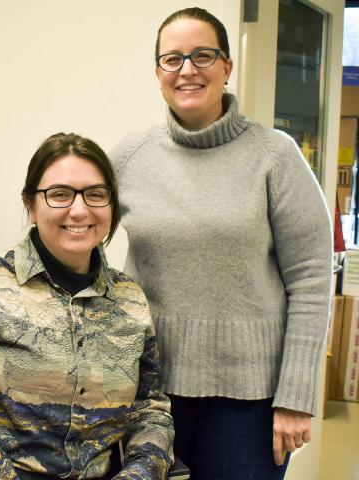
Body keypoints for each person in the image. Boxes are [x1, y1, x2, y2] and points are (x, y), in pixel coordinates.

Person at [109, 8, 332, 480]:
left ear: (226, 67)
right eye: (172, 59)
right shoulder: (129, 157)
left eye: (202, 55)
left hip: (251, 402)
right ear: (158, 72)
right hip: (149, 392)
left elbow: (311, 279)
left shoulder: (275, 156)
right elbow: (74, 233)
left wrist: (297, 396)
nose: (187, 69)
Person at [0, 132, 174, 480]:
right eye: (60, 195)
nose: (79, 210)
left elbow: (149, 410)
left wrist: (140, 473)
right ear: (30, 206)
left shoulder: (129, 299)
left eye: (95, 194)